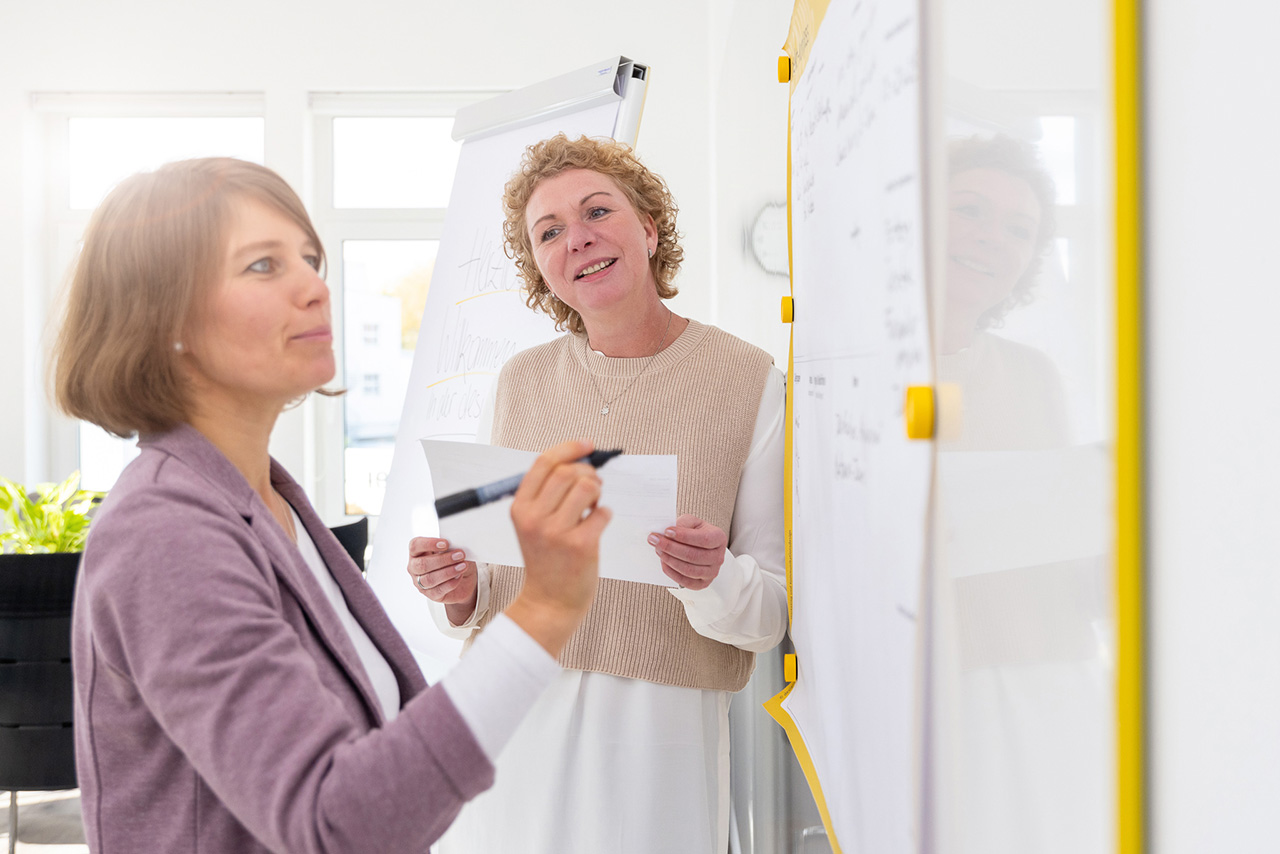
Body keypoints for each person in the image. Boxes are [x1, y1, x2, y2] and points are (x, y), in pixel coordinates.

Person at [51, 157, 611, 853]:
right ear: (163, 317)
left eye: (310, 259)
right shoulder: (165, 530)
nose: (315, 287)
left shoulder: (269, 498)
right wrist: (544, 610)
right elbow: (336, 824)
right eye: (263, 265)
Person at [407, 134, 787, 853]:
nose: (576, 239)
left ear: (649, 228)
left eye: (597, 212)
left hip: (656, 738)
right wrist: (455, 589)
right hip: (510, 713)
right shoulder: (519, 383)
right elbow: (487, 581)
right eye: (549, 232)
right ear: (540, 270)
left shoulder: (749, 379)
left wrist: (711, 577)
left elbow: (767, 615)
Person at [938, 133, 1070, 450]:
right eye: (970, 210)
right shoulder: (843, 362)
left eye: (1019, 230)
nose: (994, 237)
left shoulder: (1034, 376)